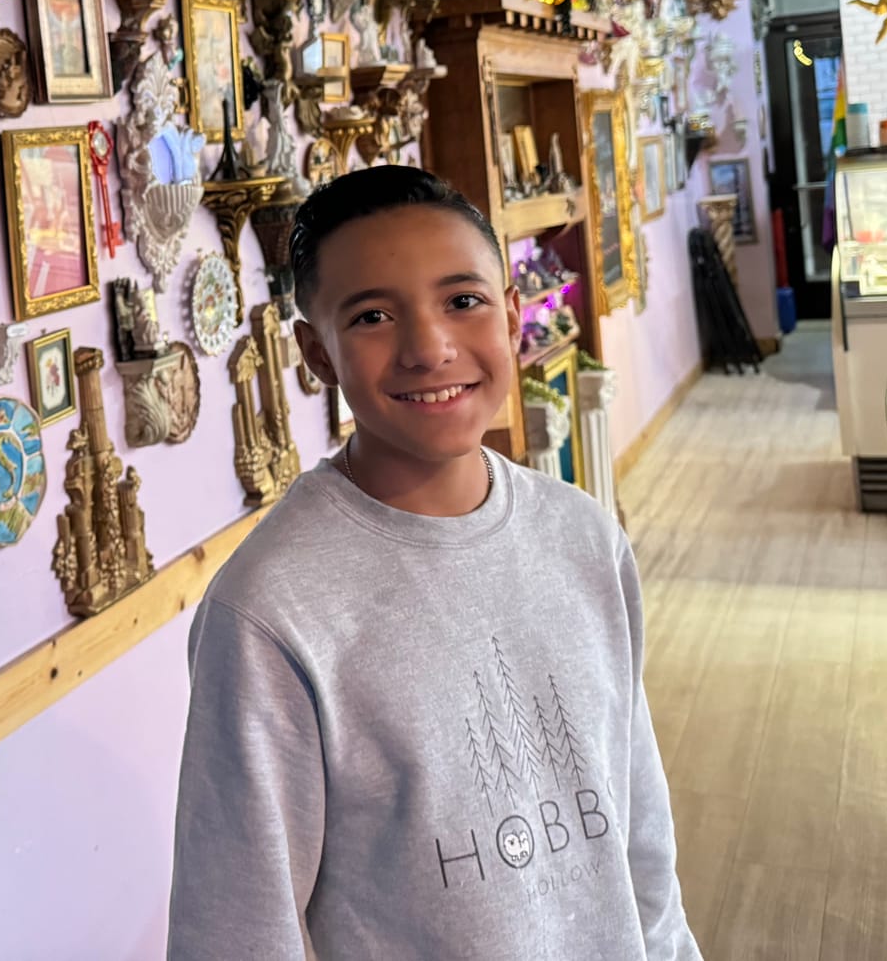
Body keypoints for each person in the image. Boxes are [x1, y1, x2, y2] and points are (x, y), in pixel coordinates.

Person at [166, 164, 701, 961]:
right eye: (373, 316)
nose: (429, 348)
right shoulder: (271, 611)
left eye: (463, 301)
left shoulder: (583, 535)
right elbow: (237, 927)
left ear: (511, 313)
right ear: (317, 354)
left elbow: (640, 830)